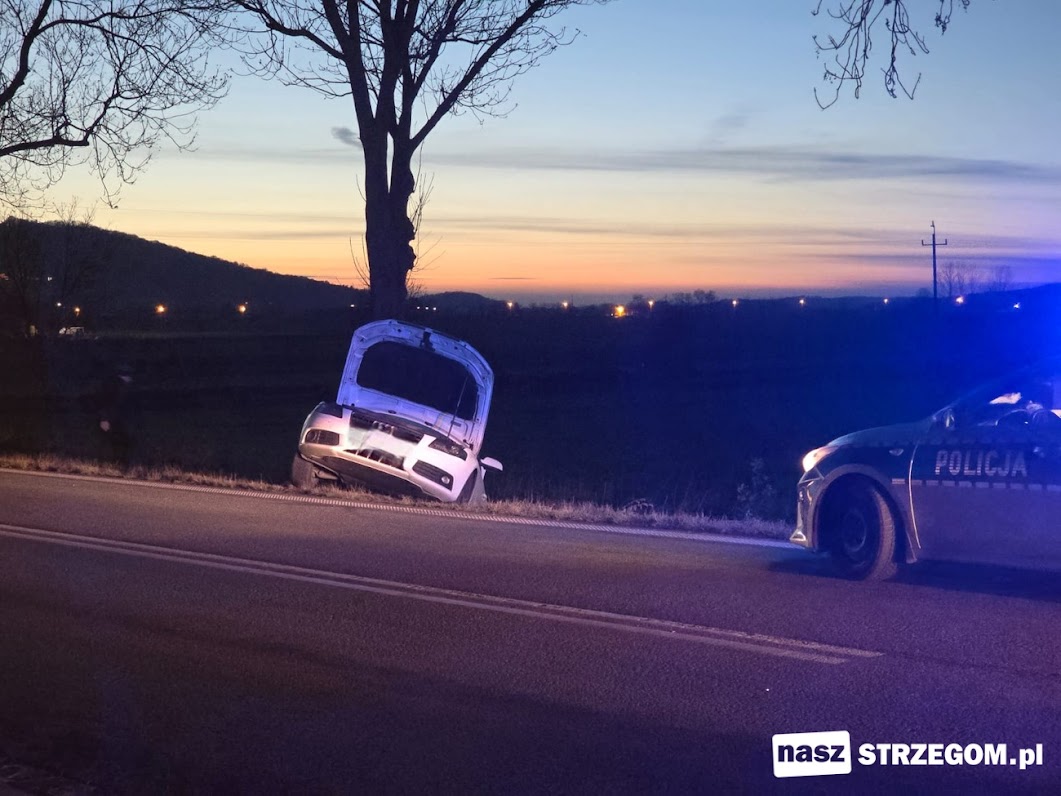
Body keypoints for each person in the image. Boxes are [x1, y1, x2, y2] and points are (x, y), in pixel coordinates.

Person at [98, 362, 134, 464]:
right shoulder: (113, 386)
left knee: (123, 441)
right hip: (114, 418)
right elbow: (106, 402)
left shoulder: (129, 386)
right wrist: (104, 419)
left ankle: (120, 461)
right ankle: (116, 461)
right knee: (116, 441)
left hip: (124, 419)